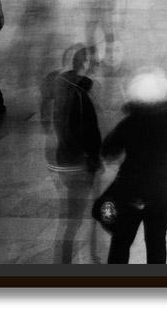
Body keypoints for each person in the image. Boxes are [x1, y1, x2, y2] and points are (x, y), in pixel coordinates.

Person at [95, 70, 167, 263]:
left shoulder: (130, 122)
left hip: (133, 191)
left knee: (121, 240)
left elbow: (108, 150)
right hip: (165, 190)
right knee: (156, 241)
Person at [40, 45, 103, 261]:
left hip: (61, 160)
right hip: (79, 164)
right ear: (84, 64)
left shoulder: (59, 86)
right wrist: (94, 158)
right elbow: (90, 132)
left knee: (72, 217)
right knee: (78, 219)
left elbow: (49, 122)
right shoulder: (80, 95)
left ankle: (75, 260)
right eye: (92, 62)